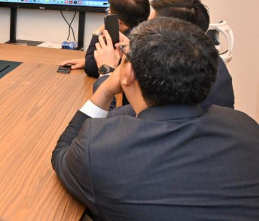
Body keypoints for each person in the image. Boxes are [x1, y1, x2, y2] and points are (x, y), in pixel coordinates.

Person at [52, 18, 259, 220]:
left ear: (128, 72)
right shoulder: (245, 126)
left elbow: (62, 154)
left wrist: (106, 88)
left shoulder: (100, 148)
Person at [94, 0, 234, 116]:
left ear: (168, 34)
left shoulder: (169, 78)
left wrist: (106, 72)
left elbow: (105, 121)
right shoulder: (213, 64)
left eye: (148, 28)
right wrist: (139, 48)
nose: (142, 30)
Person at [60, 0, 149, 78]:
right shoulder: (147, 37)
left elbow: (91, 68)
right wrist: (86, 61)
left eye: (108, 13)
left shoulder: (124, 44)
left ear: (117, 21)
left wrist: (98, 32)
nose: (107, 15)